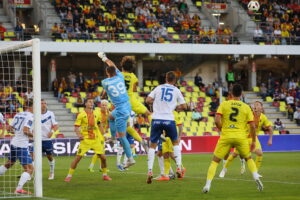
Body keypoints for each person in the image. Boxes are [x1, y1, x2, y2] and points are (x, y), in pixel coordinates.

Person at [202, 84, 263, 193]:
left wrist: (222, 129)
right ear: (241, 94)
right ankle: (256, 178)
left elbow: (216, 120)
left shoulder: (224, 104)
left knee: (215, 161)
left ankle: (207, 185)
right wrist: (253, 141)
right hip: (241, 136)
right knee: (248, 158)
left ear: (231, 93)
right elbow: (252, 126)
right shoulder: (246, 107)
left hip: (226, 135)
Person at [145, 71, 187, 184]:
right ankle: (178, 167)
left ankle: (149, 171)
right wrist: (174, 106)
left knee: (152, 146)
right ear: (175, 80)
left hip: (156, 119)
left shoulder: (158, 88)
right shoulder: (176, 90)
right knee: (175, 143)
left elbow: (148, 100)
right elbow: (184, 106)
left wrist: (157, 102)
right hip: (169, 119)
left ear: (166, 78)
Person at [97, 52, 135, 168]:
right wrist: (105, 58)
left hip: (121, 110)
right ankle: (113, 138)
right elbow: (112, 65)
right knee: (110, 117)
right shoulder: (120, 76)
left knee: (122, 136)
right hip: (127, 105)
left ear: (107, 73)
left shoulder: (105, 82)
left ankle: (130, 158)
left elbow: (103, 95)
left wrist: (103, 96)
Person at [219, 101, 273, 178]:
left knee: (260, 153)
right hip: (243, 138)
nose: (255, 106)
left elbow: (270, 128)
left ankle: (255, 172)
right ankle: (224, 169)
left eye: (257, 105)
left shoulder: (263, 117)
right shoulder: (249, 114)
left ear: (261, 107)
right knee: (234, 155)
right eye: (254, 105)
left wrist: (270, 139)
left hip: (253, 139)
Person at [64, 98, 111, 182]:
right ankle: (69, 175)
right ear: (85, 104)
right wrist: (79, 135)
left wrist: (104, 135)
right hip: (85, 139)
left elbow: (99, 125)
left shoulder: (96, 113)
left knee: (103, 158)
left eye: (92, 102)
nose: (91, 103)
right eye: (89, 102)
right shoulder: (81, 114)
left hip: (95, 139)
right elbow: (76, 127)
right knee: (78, 158)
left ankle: (105, 175)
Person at [0, 100, 34, 194]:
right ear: (31, 107)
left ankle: (19, 189)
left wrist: (17, 134)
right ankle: (19, 189)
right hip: (22, 145)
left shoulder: (18, 114)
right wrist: (35, 136)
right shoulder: (31, 116)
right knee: (30, 169)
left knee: (9, 163)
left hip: (14, 142)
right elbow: (25, 130)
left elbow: (9, 129)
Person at [120, 56, 149, 152]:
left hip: (123, 102)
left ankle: (141, 140)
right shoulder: (133, 76)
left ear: (122, 66)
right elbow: (135, 89)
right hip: (132, 99)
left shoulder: (119, 75)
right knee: (148, 113)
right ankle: (158, 132)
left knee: (127, 126)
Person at [41, 99, 58, 180]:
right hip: (36, 140)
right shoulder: (34, 113)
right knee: (32, 157)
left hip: (47, 140)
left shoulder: (50, 114)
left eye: (45, 103)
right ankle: (30, 173)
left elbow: (56, 125)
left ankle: (51, 172)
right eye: (42, 103)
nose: (44, 105)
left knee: (49, 157)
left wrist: (52, 131)